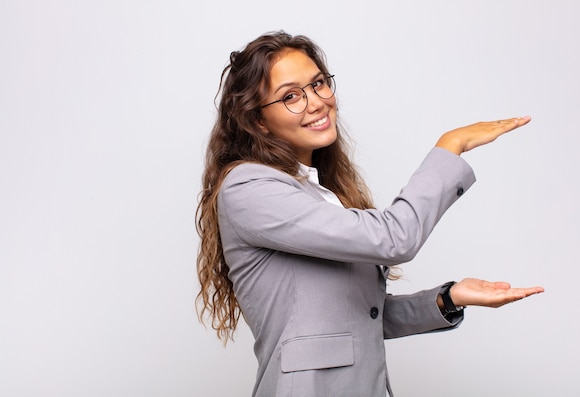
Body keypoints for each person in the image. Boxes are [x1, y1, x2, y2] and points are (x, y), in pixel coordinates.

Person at [196, 31, 544, 397]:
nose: (316, 103)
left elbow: (359, 319)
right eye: (291, 96)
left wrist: (449, 297)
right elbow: (395, 238)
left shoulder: (318, 192)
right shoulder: (249, 188)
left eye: (318, 84)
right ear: (259, 121)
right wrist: (449, 147)